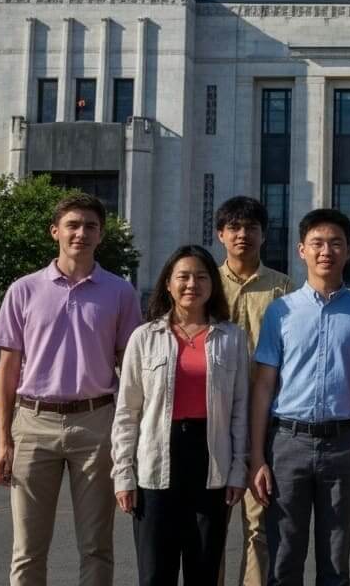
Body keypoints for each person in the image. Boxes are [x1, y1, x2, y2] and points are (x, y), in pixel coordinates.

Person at [0, 192, 143, 586]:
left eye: (90, 226)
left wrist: (133, 438)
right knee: (28, 549)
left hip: (96, 423)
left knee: (96, 545)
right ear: (54, 231)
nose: (81, 233)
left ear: (101, 235)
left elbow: (130, 368)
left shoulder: (120, 292)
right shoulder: (23, 290)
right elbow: (8, 370)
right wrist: (3, 442)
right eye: (72, 225)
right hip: (33, 422)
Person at [248, 208, 350, 586]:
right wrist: (257, 457)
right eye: (318, 243)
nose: (327, 251)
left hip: (343, 443)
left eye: (336, 243)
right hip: (287, 442)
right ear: (301, 249)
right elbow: (263, 386)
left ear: (349, 251)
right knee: (283, 557)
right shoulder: (281, 311)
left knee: (336, 559)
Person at [112, 245, 249, 585]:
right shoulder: (144, 338)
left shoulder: (231, 338)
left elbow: (240, 411)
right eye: (183, 277)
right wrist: (123, 475)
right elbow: (128, 412)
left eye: (201, 277)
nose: (192, 284)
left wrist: (237, 469)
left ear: (212, 285)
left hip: (210, 460)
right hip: (157, 461)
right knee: (156, 572)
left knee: (203, 569)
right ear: (168, 285)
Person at [214, 195, 295, 586]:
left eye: (251, 228)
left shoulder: (283, 289)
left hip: (264, 421)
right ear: (220, 235)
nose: (242, 235)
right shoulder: (205, 284)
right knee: (210, 524)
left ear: (263, 235)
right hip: (212, 420)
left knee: (259, 524)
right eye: (234, 228)